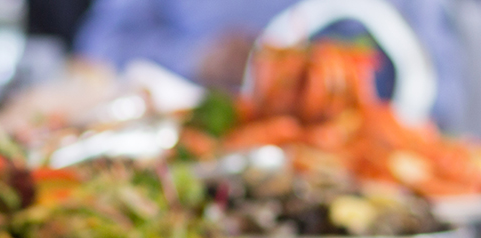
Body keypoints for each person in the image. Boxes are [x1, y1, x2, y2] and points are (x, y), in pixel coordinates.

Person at [74, 0, 467, 131]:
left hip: (368, 176)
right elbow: (98, 45)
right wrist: (197, 57)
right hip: (213, 174)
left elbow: (448, 92)